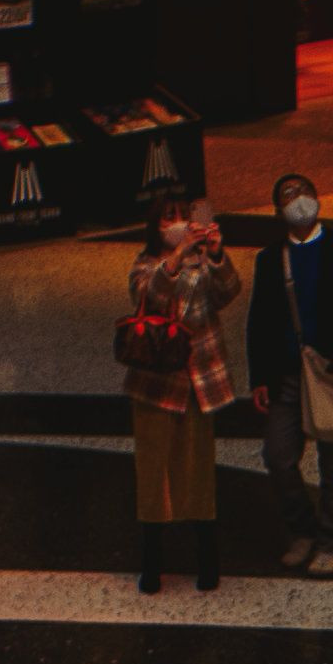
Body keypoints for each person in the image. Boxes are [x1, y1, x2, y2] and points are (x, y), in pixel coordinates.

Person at [246, 173, 333, 577]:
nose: (299, 200)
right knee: (278, 456)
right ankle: (302, 529)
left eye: (304, 191)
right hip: (287, 374)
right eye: (289, 195)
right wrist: (259, 377)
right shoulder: (270, 259)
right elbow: (259, 320)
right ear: (278, 211)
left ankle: (329, 541)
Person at [125, 186, 238, 593]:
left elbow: (228, 291)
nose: (177, 223)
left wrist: (217, 254)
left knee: (198, 471)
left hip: (198, 381)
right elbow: (149, 294)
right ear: (155, 226)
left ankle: (207, 560)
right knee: (153, 472)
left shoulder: (203, 259)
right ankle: (152, 564)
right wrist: (175, 257)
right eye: (167, 217)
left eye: (183, 215)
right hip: (157, 384)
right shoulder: (146, 263)